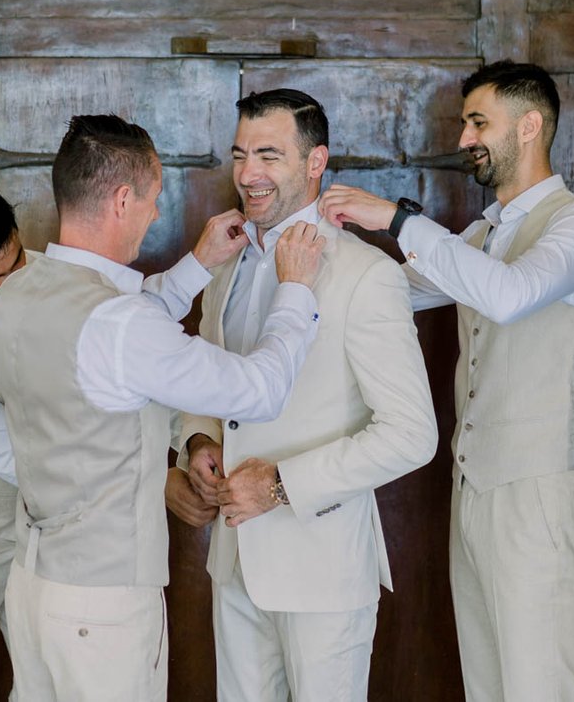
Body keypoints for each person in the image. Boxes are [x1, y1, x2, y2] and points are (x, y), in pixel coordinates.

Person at [0, 114, 326, 702]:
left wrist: (197, 264)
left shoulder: (21, 289)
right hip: (103, 607)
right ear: (123, 200)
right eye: (151, 199)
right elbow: (262, 390)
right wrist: (295, 289)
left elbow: (118, 330)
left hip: (32, 585)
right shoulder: (121, 324)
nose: (153, 215)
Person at [318, 60, 574, 702]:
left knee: (538, 690)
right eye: (465, 124)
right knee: (484, 688)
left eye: (479, 122)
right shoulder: (483, 232)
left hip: (539, 495)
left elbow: (510, 295)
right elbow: (392, 294)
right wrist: (308, 242)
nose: (464, 139)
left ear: (530, 126)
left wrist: (396, 219)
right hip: (472, 492)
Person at [0, 178, 225, 701]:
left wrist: (192, 437)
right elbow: (29, 456)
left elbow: (130, 345)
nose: (10, 287)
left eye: (16, 263)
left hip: (47, 536)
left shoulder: (44, 272)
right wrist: (158, 482)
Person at [178, 89, 437, 702]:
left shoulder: (365, 274)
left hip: (323, 568)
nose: (248, 174)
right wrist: (196, 440)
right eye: (240, 155)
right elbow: (202, 377)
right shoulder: (224, 263)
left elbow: (412, 434)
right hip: (234, 559)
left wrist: (280, 484)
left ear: (316, 161)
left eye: (269, 155)